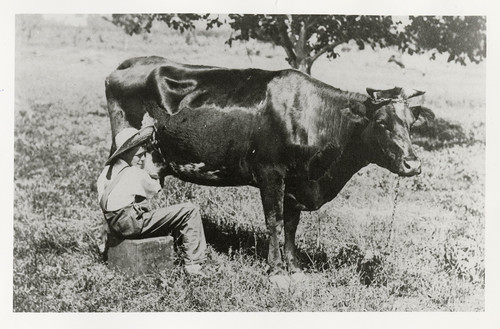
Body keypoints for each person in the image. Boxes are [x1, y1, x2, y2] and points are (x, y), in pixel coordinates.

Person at [97, 126, 207, 277]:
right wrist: (153, 170)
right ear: (127, 152)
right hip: (131, 225)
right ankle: (194, 265)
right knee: (189, 210)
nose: (142, 159)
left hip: (114, 225)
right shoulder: (134, 173)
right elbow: (154, 188)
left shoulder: (107, 171)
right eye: (140, 155)